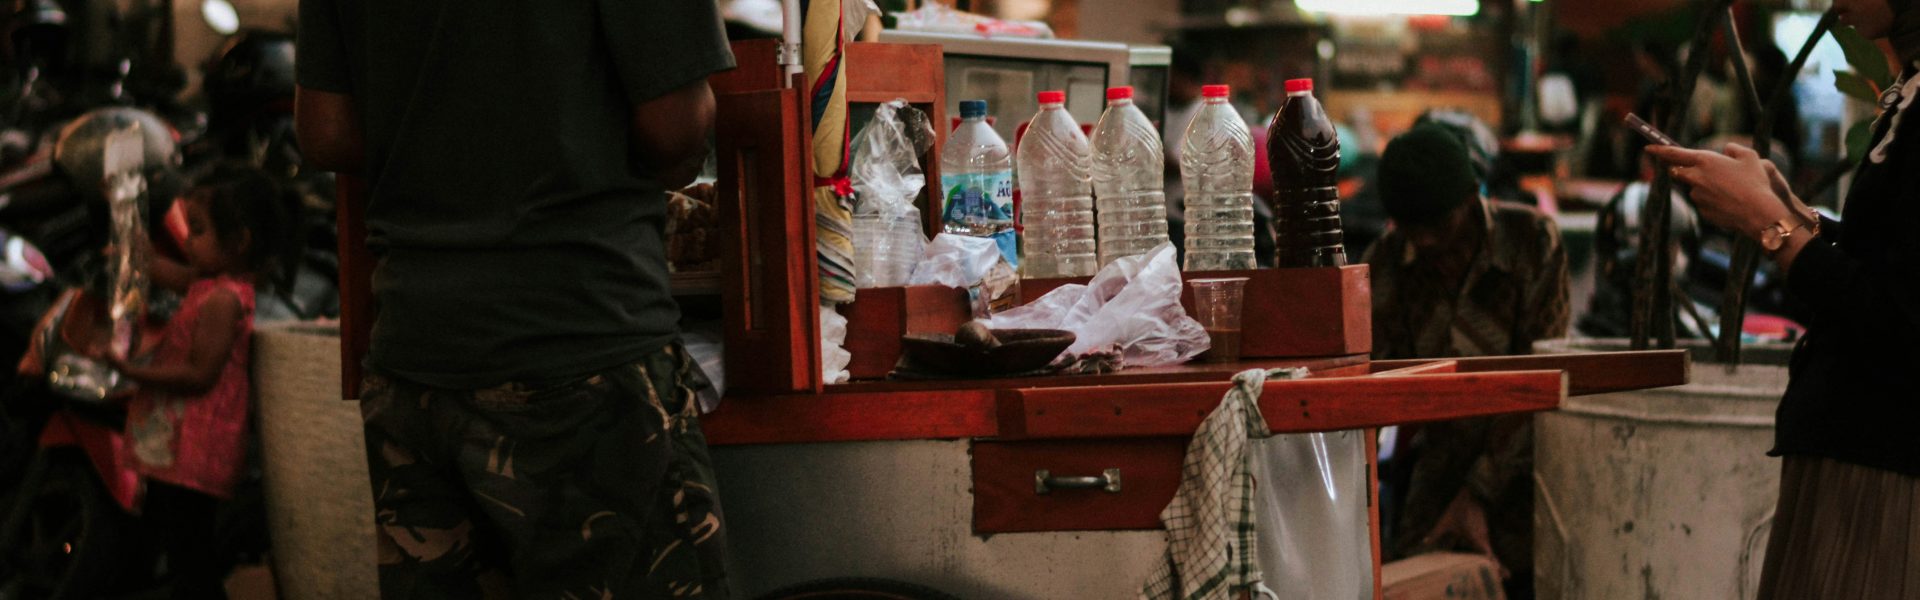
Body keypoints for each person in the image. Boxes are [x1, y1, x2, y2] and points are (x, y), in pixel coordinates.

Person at [294, 0, 735, 597]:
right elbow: (675, 124)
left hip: (414, 355)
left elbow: (326, 131)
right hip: (580, 343)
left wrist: (443, 153)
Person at [1649, 0, 1920, 596]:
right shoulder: (1910, 88)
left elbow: (1901, 321)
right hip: (1855, 445)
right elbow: (1892, 257)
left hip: (1886, 468)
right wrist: (1797, 215)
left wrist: (1773, 229)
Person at [1365, 124, 1570, 600]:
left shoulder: (1532, 243)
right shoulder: (1388, 263)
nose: (1430, 242)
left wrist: (1478, 493)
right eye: (1414, 230)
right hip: (1436, 476)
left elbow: (1542, 380)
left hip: (1527, 468)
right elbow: (1369, 391)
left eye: (1440, 225)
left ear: (1470, 196)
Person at [106, 164, 288, 599]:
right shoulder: (210, 283)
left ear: (239, 241)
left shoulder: (223, 300)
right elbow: (158, 268)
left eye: (200, 230)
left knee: (191, 559)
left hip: (195, 452)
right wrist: (126, 227)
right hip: (182, 450)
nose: (187, 240)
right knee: (176, 546)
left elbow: (199, 375)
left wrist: (134, 372)